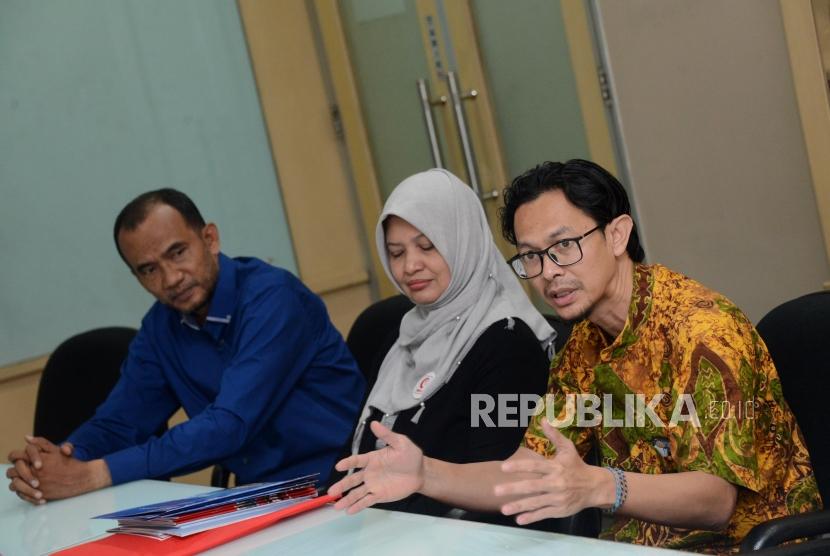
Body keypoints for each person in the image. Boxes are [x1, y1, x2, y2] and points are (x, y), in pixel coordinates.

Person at [329, 160, 822, 554]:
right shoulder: (584, 343)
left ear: (617, 234)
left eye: (563, 246)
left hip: (748, 546)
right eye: (531, 256)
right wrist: (426, 473)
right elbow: (528, 470)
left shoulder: (703, 332)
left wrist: (599, 486)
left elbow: (716, 502)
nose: (548, 273)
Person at [7, 188, 365, 504]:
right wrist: (59, 461)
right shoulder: (160, 326)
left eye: (177, 252)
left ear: (210, 239)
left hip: (343, 487)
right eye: (149, 270)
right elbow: (120, 423)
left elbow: (229, 425)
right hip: (259, 499)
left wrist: (96, 474)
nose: (171, 279)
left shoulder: (274, 299)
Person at [342, 169, 555, 518]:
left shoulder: (508, 344)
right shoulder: (402, 335)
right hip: (376, 529)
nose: (411, 266)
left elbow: (503, 489)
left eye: (428, 247)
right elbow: (355, 454)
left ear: (463, 241)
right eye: (396, 253)